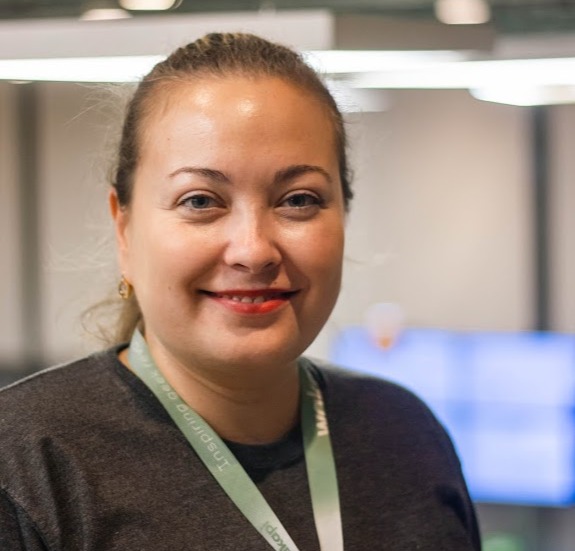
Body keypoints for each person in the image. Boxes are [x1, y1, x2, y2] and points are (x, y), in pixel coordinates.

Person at [0, 33, 481, 550]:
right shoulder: (26, 466)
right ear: (124, 229)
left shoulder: (403, 435)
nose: (253, 251)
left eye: (298, 199)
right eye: (200, 200)